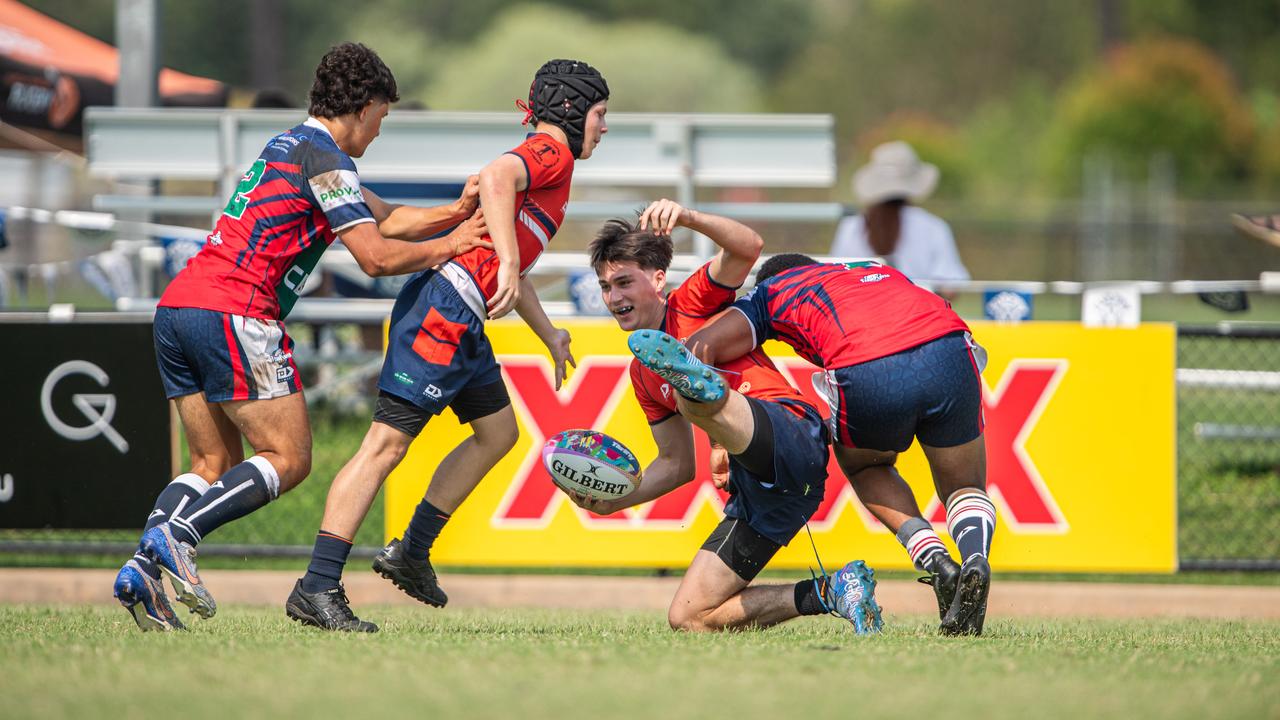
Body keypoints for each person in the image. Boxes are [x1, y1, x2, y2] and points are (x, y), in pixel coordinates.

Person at [111, 42, 491, 632]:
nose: (379, 132)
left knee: (212, 461)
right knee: (289, 458)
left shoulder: (292, 144)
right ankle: (177, 533)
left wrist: (457, 210)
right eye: (382, 119)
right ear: (363, 108)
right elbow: (375, 256)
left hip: (181, 305)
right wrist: (451, 246)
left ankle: (141, 567)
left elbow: (385, 216)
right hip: (236, 309)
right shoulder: (329, 159)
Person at [286, 59, 610, 632]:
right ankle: (317, 585)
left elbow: (511, 259)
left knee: (499, 433)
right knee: (384, 446)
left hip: (464, 315)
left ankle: (411, 552)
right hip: (445, 308)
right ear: (572, 109)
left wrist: (549, 332)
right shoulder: (551, 151)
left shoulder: (551, 169)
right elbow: (495, 177)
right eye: (601, 115)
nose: (604, 129)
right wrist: (508, 259)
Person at [574, 199, 882, 634]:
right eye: (606, 287)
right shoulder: (641, 373)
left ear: (659, 279)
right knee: (690, 617)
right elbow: (677, 465)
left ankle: (703, 387)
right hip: (775, 493)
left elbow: (749, 247)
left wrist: (688, 218)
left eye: (623, 282)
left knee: (691, 394)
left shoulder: (693, 302)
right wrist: (614, 501)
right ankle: (835, 591)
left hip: (790, 430)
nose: (614, 297)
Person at [684, 253, 995, 636]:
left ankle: (935, 559)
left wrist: (718, 440)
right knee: (963, 484)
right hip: (949, 346)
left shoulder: (771, 292)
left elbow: (699, 349)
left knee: (869, 467)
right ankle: (976, 557)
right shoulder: (874, 267)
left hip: (866, 363)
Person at [830, 141, 969, 294]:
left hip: (862, 313)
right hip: (918, 313)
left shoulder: (852, 227)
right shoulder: (933, 227)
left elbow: (836, 280)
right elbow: (951, 286)